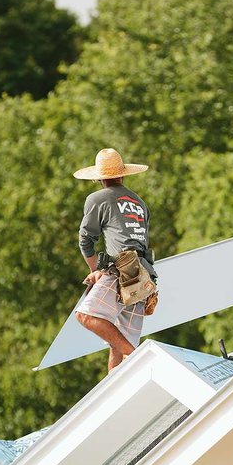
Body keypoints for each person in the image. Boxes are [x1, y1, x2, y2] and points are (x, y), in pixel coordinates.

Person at [73, 148, 158, 372]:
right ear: (123, 174)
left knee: (86, 315)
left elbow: (85, 241)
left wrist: (96, 270)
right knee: (117, 344)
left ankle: (141, 357)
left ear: (100, 178)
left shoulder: (98, 198)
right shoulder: (139, 202)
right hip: (144, 275)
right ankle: (114, 385)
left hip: (122, 268)